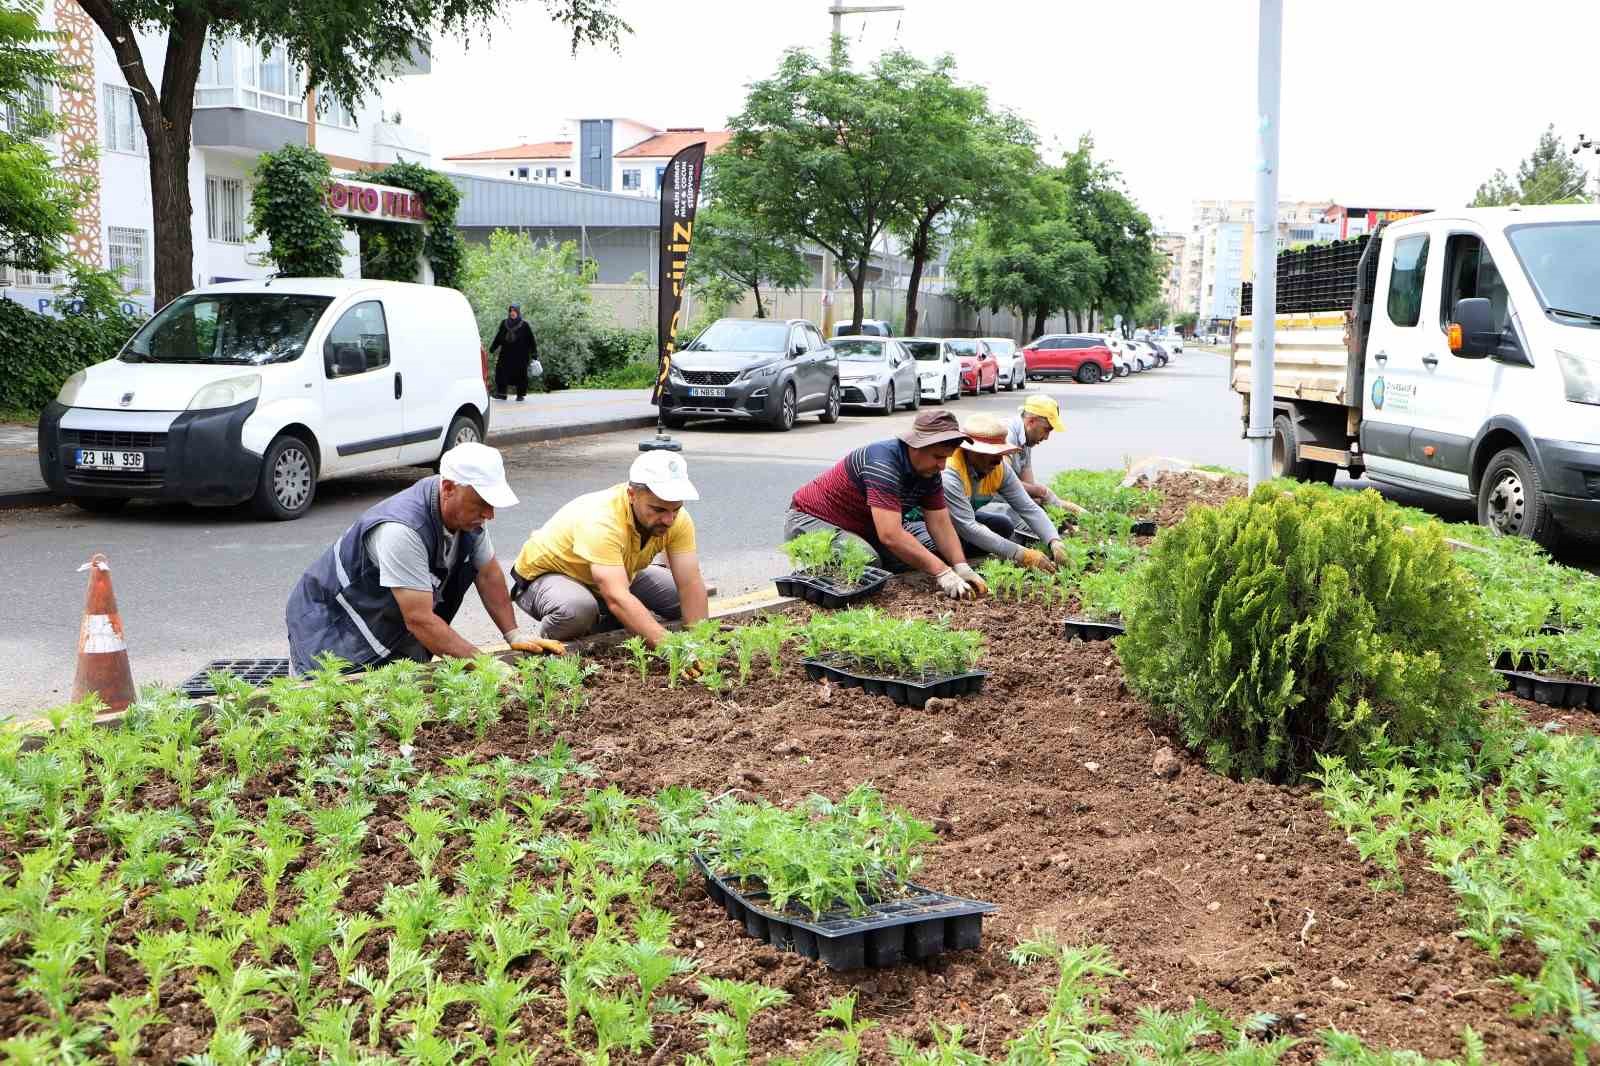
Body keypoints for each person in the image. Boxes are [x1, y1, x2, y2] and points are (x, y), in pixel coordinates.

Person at [286, 442, 560, 675]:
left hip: (385, 624)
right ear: (450, 488)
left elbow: (487, 573)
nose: (489, 514)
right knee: (337, 708)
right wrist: (485, 666)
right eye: (481, 504)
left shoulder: (466, 517)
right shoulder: (402, 531)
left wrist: (513, 634)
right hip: (331, 629)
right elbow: (419, 620)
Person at [785, 410, 990, 600]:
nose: (942, 466)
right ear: (915, 445)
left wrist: (960, 566)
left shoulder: (930, 472)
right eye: (938, 457)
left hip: (868, 530)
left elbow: (941, 524)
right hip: (811, 522)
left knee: (941, 550)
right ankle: (814, 575)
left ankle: (878, 564)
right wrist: (943, 572)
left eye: (946, 458)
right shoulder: (882, 463)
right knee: (865, 562)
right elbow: (890, 535)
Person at [509, 451, 709, 647]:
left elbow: (690, 583)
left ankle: (616, 618)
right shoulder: (603, 519)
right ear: (632, 494)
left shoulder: (677, 520)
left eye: (676, 509)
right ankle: (559, 638)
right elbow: (617, 597)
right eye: (658, 510)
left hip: (612, 571)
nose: (668, 520)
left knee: (679, 600)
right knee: (577, 611)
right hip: (548, 577)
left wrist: (702, 645)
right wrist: (671, 647)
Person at [944, 414, 1073, 571]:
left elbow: (1027, 507)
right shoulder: (950, 471)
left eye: (1001, 453)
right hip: (926, 522)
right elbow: (968, 527)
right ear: (972, 452)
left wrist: (1054, 541)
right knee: (950, 541)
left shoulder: (999, 468)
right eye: (993, 453)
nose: (999, 460)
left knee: (1003, 526)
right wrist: (1021, 554)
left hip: (962, 520)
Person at [489, 304, 539, 401]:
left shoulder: (525, 325)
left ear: (518, 312)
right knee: (501, 372)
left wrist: (534, 354)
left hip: (521, 356)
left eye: (514, 311)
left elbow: (531, 340)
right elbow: (499, 337)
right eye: (511, 311)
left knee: (521, 374)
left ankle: (520, 395)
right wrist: (493, 348)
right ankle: (502, 393)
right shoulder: (504, 323)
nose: (512, 313)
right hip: (506, 355)